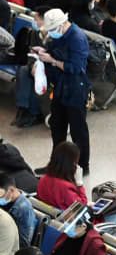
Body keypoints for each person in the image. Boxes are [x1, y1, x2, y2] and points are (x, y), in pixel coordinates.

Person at [33, 9, 91, 174]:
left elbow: (75, 67)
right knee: (57, 126)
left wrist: (51, 60)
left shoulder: (77, 38)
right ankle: (56, 165)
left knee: (78, 130)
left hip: (75, 86)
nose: (50, 33)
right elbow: (55, 50)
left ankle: (82, 166)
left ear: (61, 25)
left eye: (52, 29)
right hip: (60, 85)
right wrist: (44, 53)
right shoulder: (59, 36)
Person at [35, 142, 86, 210]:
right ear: (72, 163)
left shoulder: (42, 179)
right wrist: (79, 183)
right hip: (66, 218)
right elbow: (82, 207)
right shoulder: (66, 188)